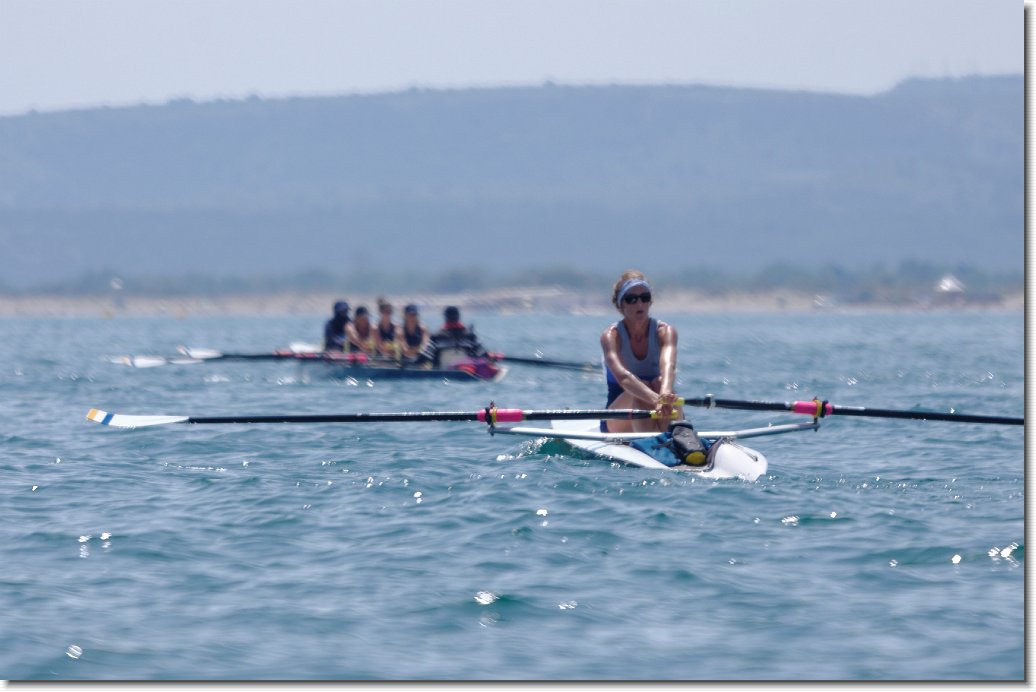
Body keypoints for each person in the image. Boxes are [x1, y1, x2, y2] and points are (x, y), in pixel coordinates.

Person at [600, 270, 684, 433]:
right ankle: (654, 440)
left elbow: (669, 367)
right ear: (621, 305)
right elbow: (624, 378)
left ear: (650, 302)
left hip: (659, 406)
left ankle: (669, 438)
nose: (639, 304)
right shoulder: (611, 336)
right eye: (631, 299)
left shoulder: (665, 332)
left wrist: (665, 395)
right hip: (618, 418)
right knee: (642, 387)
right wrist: (656, 399)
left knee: (660, 383)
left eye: (644, 298)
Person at [417, 305, 488, 367]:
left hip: (441, 374)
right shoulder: (470, 336)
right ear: (458, 317)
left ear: (445, 317)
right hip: (466, 373)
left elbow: (425, 356)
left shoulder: (436, 337)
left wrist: (413, 362)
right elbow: (483, 354)